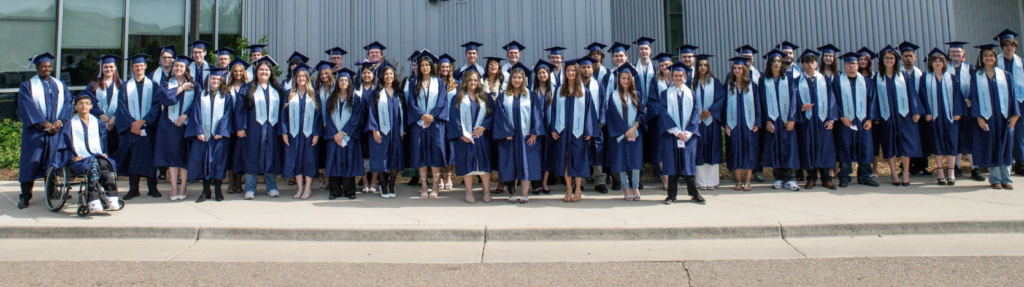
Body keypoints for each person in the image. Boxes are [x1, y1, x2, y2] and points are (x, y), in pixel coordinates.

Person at [17, 52, 72, 209]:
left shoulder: (60, 85)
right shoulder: (27, 86)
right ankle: (25, 197)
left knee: (53, 163)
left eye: (48, 66)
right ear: (37, 67)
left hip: (56, 132)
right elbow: (27, 107)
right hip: (35, 133)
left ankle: (53, 192)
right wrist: (45, 125)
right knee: (30, 163)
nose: (46, 69)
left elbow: (68, 103)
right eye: (43, 66)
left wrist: (60, 122)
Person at [54, 95, 120, 212]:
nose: (84, 105)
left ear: (91, 106)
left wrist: (104, 153)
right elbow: (62, 146)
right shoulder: (69, 125)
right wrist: (72, 157)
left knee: (104, 163)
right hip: (79, 160)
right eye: (80, 103)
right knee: (93, 165)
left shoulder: (98, 124)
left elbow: (103, 143)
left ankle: (112, 196)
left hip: (96, 156)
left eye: (86, 103)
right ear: (75, 107)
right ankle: (93, 199)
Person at [493, 62, 545, 204]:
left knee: (527, 164)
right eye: (514, 77)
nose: (517, 80)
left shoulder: (531, 96)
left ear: (524, 80)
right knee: (510, 164)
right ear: (510, 79)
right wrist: (505, 132)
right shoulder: (503, 96)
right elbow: (499, 115)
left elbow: (537, 114)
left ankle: (524, 194)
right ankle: (511, 193)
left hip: (526, 137)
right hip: (509, 137)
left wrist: (535, 132)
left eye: (519, 78)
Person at [971, 43, 1020, 189]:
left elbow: (1013, 96)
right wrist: (979, 117)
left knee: (1006, 146)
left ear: (995, 58)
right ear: (981, 58)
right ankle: (995, 178)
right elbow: (974, 97)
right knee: (990, 146)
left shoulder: (1005, 76)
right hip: (988, 118)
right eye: (985, 56)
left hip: (1004, 117)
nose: (988, 58)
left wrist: (1015, 114)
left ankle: (1007, 179)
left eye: (991, 55)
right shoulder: (976, 76)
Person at [875, 45, 925, 186]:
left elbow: (912, 94)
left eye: (892, 58)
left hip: (904, 116)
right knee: (889, 143)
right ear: (882, 60)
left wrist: (915, 111)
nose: (889, 60)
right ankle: (893, 173)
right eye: (887, 58)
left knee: (905, 143)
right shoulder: (878, 77)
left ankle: (906, 173)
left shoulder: (903, 76)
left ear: (896, 60)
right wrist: (876, 115)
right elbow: (874, 99)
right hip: (887, 116)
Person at [236, 56, 285, 200]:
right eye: (261, 70)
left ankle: (272, 187)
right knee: (252, 156)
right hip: (253, 129)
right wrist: (241, 127)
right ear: (256, 72)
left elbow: (283, 110)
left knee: (271, 157)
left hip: (272, 128)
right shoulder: (248, 87)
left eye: (267, 70)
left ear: (271, 72)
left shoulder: (277, 88)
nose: (264, 72)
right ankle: (250, 188)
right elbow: (240, 109)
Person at [114, 54, 161, 200]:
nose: (139, 68)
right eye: (136, 66)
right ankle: (134, 189)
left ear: (145, 67)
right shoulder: (125, 86)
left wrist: (144, 121)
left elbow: (157, 105)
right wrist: (132, 124)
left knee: (150, 158)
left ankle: (152, 188)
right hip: (132, 130)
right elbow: (121, 107)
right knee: (133, 158)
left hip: (148, 128)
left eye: (141, 66)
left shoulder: (153, 85)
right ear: (132, 68)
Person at [155, 55, 202, 201]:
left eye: (181, 66)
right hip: (169, 125)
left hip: (187, 125)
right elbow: (164, 98)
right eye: (176, 66)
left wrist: (186, 115)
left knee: (185, 156)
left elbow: (197, 104)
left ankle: (183, 186)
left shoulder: (194, 85)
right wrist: (181, 88)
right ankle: (174, 187)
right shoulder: (166, 83)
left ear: (186, 68)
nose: (178, 68)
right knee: (173, 156)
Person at [549, 59, 596, 202]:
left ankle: (578, 189)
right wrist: (553, 128)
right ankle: (568, 189)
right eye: (568, 70)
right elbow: (554, 110)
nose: (570, 73)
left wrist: (588, 130)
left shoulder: (584, 92)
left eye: (573, 70)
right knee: (565, 159)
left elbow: (589, 112)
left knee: (578, 159)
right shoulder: (559, 91)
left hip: (578, 132)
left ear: (577, 73)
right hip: (563, 130)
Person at [658, 62, 703, 204]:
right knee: (672, 165)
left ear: (685, 77)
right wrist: (677, 132)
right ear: (671, 77)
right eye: (675, 76)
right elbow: (663, 113)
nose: (678, 78)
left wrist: (688, 132)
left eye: (680, 76)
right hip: (672, 135)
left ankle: (695, 194)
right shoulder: (665, 94)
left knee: (688, 165)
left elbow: (696, 114)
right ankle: (671, 195)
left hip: (688, 136)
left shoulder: (692, 94)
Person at [406, 50, 449, 198]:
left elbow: (442, 101)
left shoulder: (438, 82)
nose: (425, 67)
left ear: (431, 66)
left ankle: (435, 186)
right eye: (422, 65)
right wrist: (421, 116)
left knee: (436, 152)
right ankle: (424, 185)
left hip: (435, 123)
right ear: (418, 67)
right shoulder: (414, 83)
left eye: (427, 65)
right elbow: (411, 103)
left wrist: (432, 116)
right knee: (420, 153)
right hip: (419, 123)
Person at [186, 67, 232, 202]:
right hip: (204, 137)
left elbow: (228, 115)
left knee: (218, 162)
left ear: (221, 80)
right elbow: (196, 113)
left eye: (218, 79)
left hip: (218, 138)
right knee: (203, 162)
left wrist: (221, 132)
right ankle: (206, 191)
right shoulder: (201, 95)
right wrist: (199, 131)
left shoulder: (225, 96)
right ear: (209, 79)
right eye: (213, 78)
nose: (215, 81)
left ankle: (218, 190)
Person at [920, 48, 966, 185]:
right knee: (937, 142)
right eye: (935, 61)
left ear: (945, 63)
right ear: (931, 63)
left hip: (950, 116)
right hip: (934, 117)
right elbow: (922, 96)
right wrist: (926, 112)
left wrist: (958, 112)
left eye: (941, 61)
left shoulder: (952, 78)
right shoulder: (925, 78)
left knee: (951, 142)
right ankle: (940, 171)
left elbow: (958, 96)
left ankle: (951, 171)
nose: (938, 63)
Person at [833, 52, 879, 187]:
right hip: (845, 121)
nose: (851, 66)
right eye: (848, 64)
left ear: (858, 65)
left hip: (863, 120)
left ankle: (864, 176)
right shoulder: (837, 81)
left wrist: (870, 119)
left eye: (853, 63)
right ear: (844, 66)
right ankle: (845, 177)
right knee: (845, 147)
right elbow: (834, 100)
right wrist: (841, 116)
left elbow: (872, 101)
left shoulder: (867, 81)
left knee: (865, 147)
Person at [448, 69, 494, 203]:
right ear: (465, 82)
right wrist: (462, 135)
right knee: (467, 164)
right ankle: (469, 192)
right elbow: (454, 118)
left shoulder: (485, 97)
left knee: (484, 164)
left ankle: (486, 191)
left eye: (475, 80)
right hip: (465, 138)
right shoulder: (458, 98)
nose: (473, 82)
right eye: (470, 80)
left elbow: (491, 115)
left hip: (482, 136)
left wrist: (484, 127)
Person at [795, 49, 838, 190]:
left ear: (816, 64)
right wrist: (801, 108)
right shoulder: (797, 82)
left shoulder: (824, 80)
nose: (810, 65)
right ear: (803, 65)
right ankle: (811, 178)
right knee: (808, 148)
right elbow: (793, 102)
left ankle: (826, 178)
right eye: (807, 62)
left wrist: (831, 120)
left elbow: (832, 101)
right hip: (807, 122)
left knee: (825, 148)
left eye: (812, 62)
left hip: (822, 121)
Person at [759, 49, 800, 191]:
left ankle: (790, 178)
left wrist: (792, 119)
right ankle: (778, 177)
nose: (776, 64)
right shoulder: (763, 79)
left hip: (786, 119)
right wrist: (767, 120)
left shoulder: (789, 78)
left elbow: (795, 100)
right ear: (769, 64)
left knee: (789, 147)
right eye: (773, 62)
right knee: (774, 147)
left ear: (782, 63)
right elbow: (762, 102)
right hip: (772, 119)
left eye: (778, 61)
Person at [280, 63, 322, 199]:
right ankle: (299, 188)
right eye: (299, 76)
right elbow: (283, 115)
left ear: (307, 78)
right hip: (294, 133)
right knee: (296, 159)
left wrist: (316, 133)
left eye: (304, 76)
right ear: (295, 78)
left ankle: (308, 188)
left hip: (309, 134)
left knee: (309, 160)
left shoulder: (314, 94)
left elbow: (318, 116)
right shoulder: (289, 94)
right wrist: (284, 132)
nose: (301, 78)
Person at [719, 57, 761, 191]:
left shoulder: (752, 86)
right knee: (734, 150)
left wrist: (758, 123)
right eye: (735, 68)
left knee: (750, 151)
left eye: (740, 68)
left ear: (744, 70)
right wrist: (725, 123)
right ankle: (737, 180)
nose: (737, 70)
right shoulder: (727, 86)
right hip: (734, 124)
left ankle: (748, 181)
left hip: (749, 124)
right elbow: (723, 106)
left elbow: (758, 105)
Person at [606, 64, 646, 200]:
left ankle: (635, 187)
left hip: (635, 133)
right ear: (619, 79)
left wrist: (634, 128)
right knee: (621, 161)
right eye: (623, 78)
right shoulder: (613, 96)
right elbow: (612, 116)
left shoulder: (636, 95)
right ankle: (626, 187)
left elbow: (641, 113)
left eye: (628, 79)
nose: (626, 81)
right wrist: (624, 132)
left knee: (635, 161)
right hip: (620, 135)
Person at [325, 68, 365, 200]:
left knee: (349, 162)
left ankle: (349, 190)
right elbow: (328, 118)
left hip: (349, 137)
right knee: (334, 162)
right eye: (341, 80)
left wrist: (343, 133)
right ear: (337, 82)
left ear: (349, 82)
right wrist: (335, 135)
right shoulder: (331, 98)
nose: (343, 82)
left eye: (346, 80)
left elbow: (356, 118)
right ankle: (335, 190)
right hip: (334, 137)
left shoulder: (355, 99)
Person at [367, 61, 405, 198]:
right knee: (381, 158)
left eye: (391, 74)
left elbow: (404, 112)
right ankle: (383, 186)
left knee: (395, 158)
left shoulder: (399, 93)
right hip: (381, 131)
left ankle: (392, 185)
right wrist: (374, 130)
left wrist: (403, 128)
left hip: (396, 131)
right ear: (382, 76)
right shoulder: (376, 93)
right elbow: (371, 112)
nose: (389, 76)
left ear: (394, 76)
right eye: (386, 74)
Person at [947, 41, 983, 181]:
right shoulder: (945, 68)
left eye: (958, 52)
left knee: (969, 138)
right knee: (954, 137)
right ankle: (956, 167)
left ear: (963, 54)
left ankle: (975, 168)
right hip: (951, 110)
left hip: (968, 109)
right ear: (949, 54)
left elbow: (976, 86)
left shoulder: (971, 68)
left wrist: (970, 99)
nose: (955, 54)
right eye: (953, 52)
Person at [900, 41, 932, 177]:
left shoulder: (922, 75)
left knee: (922, 138)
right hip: (905, 111)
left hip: (921, 112)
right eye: (905, 56)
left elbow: (924, 95)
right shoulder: (899, 75)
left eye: (910, 56)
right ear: (901, 57)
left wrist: (925, 111)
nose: (908, 58)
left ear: (915, 57)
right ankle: (905, 167)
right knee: (907, 139)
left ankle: (921, 166)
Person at [994, 29, 1024, 175]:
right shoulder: (995, 62)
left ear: (1015, 46)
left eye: (1012, 44)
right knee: (1003, 132)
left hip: (1020, 101)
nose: (1009, 47)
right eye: (1006, 44)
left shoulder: (1022, 63)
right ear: (1001, 46)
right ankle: (1004, 162)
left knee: (1019, 133)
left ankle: (1020, 162)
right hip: (1001, 101)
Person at [82, 55, 122, 153]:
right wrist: (101, 115)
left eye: (111, 66)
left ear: (115, 67)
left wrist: (114, 117)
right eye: (105, 67)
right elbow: (88, 102)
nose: (108, 69)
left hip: (117, 124)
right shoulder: (93, 85)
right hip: (99, 123)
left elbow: (124, 104)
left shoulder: (122, 85)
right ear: (101, 68)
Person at [580, 56, 608, 193]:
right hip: (578, 127)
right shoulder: (575, 85)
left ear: (592, 69)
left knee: (597, 153)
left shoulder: (598, 85)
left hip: (596, 126)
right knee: (580, 154)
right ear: (579, 69)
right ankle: (580, 182)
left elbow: (603, 105)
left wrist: (600, 124)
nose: (586, 69)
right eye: (583, 67)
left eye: (588, 67)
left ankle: (600, 182)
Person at [482, 56, 507, 194]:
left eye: (495, 64)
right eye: (490, 64)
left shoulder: (504, 82)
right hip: (485, 121)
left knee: (500, 152)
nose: (492, 66)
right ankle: (486, 183)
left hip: (499, 122)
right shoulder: (481, 81)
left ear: (499, 67)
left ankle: (501, 182)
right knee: (488, 152)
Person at [531, 60, 556, 195]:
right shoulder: (531, 91)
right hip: (536, 128)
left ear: (548, 74)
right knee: (535, 156)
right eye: (539, 73)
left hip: (549, 128)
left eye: (544, 72)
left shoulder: (554, 90)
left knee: (547, 156)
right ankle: (535, 184)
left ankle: (544, 182)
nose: (542, 75)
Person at [225, 58, 250, 194]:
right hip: (228, 125)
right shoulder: (226, 87)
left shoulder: (247, 87)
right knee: (230, 154)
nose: (238, 73)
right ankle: (230, 182)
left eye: (240, 71)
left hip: (241, 125)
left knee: (239, 154)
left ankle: (238, 182)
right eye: (235, 71)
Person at [355, 61, 379, 193]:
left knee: (374, 153)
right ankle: (364, 181)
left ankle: (374, 181)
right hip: (360, 126)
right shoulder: (356, 89)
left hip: (374, 126)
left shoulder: (378, 89)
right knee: (362, 154)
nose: (366, 75)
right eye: (364, 73)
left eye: (369, 73)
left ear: (373, 75)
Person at [438, 53, 458, 191]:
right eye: (442, 67)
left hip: (451, 121)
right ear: (439, 68)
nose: (445, 69)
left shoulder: (457, 83)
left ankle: (449, 177)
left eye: (447, 67)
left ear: (450, 69)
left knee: (450, 149)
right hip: (439, 120)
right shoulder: (434, 82)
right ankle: (438, 177)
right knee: (439, 148)